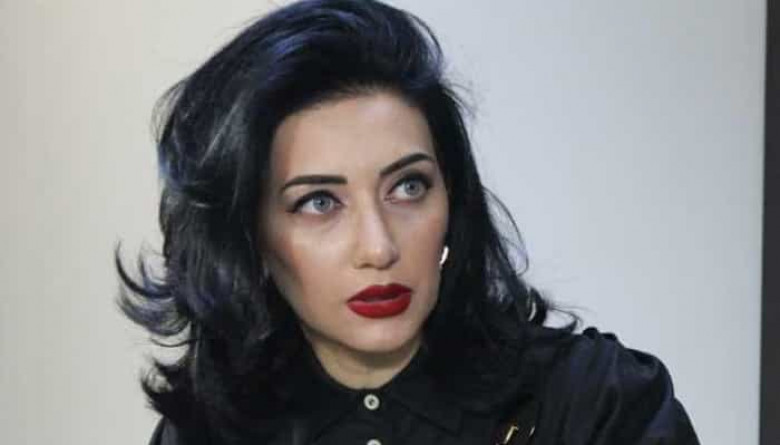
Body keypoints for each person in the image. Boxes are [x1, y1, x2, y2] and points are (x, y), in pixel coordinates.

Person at [117, 0, 699, 443]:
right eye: (319, 202)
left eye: (408, 187)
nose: (379, 247)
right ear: (250, 238)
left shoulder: (599, 401)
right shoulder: (206, 432)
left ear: (452, 199)